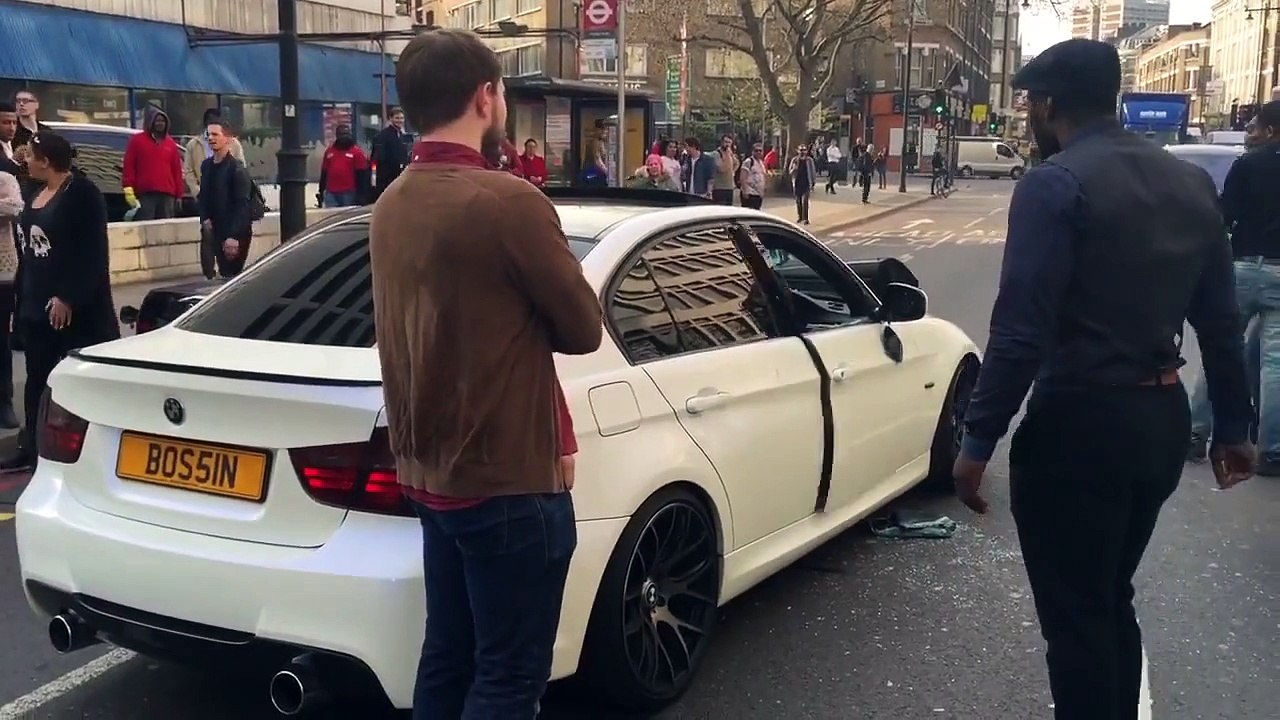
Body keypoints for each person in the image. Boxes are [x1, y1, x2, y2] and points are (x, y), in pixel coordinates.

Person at [952, 39, 1255, 720]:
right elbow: (1221, 320)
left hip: (1078, 426)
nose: (1026, 111)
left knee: (1076, 619)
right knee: (1107, 595)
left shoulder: (1055, 182)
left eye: (1029, 100)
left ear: (1051, 103)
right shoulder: (1190, 184)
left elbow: (1021, 331)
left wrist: (976, 444)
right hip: (1159, 422)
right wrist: (1233, 427)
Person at [369, 28, 603, 719]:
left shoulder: (390, 205)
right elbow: (583, 330)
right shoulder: (507, 202)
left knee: (447, 653)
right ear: (485, 96)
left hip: (431, 474)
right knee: (508, 675)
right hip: (506, 479)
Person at [0, 133, 119, 472]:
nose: (26, 161)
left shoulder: (82, 194)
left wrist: (69, 296)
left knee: (71, 378)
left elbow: (92, 253)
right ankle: (31, 445)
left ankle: (80, 446)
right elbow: (28, 253)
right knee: (37, 378)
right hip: (35, 304)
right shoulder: (37, 193)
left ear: (46, 161)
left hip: (72, 312)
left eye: (32, 156)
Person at [1218, 100, 1280, 475]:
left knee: (1224, 350)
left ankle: (1197, 431)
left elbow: (1224, 216)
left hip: (1243, 267)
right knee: (1275, 364)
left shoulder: (1248, 164)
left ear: (1271, 131)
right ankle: (1272, 450)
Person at [197, 121, 254, 279]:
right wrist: (205, 218)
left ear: (227, 139)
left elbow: (242, 205)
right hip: (214, 229)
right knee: (214, 275)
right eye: (208, 134)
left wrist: (234, 236)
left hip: (234, 232)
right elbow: (203, 196)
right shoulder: (206, 166)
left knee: (230, 276)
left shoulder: (237, 169)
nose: (211, 138)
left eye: (215, 134)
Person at [0, 101, 22, 430]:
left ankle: (3, 401)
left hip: (3, 269)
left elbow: (15, 205)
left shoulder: (7, 169)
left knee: (1, 338)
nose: (11, 127)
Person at [122, 106, 184, 220]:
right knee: (146, 229)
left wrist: (179, 195)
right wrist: (128, 189)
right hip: (145, 195)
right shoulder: (137, 141)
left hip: (167, 196)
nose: (160, 124)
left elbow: (177, 171)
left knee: (166, 230)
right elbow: (129, 166)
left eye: (163, 121)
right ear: (150, 122)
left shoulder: (171, 144)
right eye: (157, 120)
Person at [185, 108, 245, 198]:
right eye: (210, 120)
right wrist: (197, 191)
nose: (214, 122)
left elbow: (241, 167)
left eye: (217, 119)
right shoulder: (193, 145)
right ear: (205, 122)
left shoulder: (234, 143)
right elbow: (189, 171)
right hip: (204, 196)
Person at [318, 124, 370, 208]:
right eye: (341, 134)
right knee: (331, 217)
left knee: (346, 216)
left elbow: (361, 175)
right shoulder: (329, 151)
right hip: (331, 192)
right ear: (337, 136)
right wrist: (321, 190)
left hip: (349, 192)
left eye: (346, 134)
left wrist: (361, 195)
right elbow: (324, 172)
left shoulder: (357, 152)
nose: (344, 137)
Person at [370, 106, 411, 201]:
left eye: (401, 118)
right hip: (387, 179)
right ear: (390, 119)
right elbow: (378, 158)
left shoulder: (402, 136)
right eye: (397, 118)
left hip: (400, 178)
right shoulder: (383, 136)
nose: (399, 121)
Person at [788, 144, 816, 225]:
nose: (802, 152)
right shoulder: (794, 160)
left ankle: (806, 218)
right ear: (798, 151)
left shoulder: (809, 160)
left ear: (806, 151)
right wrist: (794, 169)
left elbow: (813, 171)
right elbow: (790, 172)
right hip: (797, 183)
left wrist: (813, 182)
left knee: (805, 202)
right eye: (801, 150)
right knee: (798, 201)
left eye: (804, 150)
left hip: (806, 183)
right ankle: (800, 217)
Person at [711, 134, 739, 205]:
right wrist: (727, 155)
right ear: (721, 142)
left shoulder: (730, 154)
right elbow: (722, 169)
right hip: (719, 187)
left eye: (729, 142)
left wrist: (732, 171)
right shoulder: (716, 154)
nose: (727, 144)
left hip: (729, 187)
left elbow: (737, 163)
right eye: (726, 142)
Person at [738, 142, 766, 210]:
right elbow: (743, 177)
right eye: (756, 150)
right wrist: (745, 191)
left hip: (758, 193)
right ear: (752, 151)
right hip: (750, 193)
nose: (758, 152)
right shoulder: (748, 161)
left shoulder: (762, 163)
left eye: (760, 150)